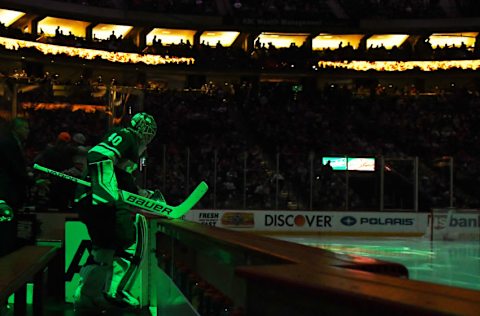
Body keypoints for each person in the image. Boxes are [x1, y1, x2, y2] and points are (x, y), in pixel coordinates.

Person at [73, 112, 157, 313]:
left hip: (86, 200)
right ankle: (117, 292)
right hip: (101, 199)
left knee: (103, 250)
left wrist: (139, 193)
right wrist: (105, 192)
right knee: (130, 239)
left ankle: (86, 295)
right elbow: (98, 154)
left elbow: (121, 178)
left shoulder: (129, 147)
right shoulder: (126, 135)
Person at [0, 118, 31, 256]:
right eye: (24, 128)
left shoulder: (12, 143)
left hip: (9, 191)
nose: (27, 131)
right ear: (15, 129)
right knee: (7, 229)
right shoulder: (9, 144)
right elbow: (15, 169)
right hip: (7, 192)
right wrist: (32, 181)